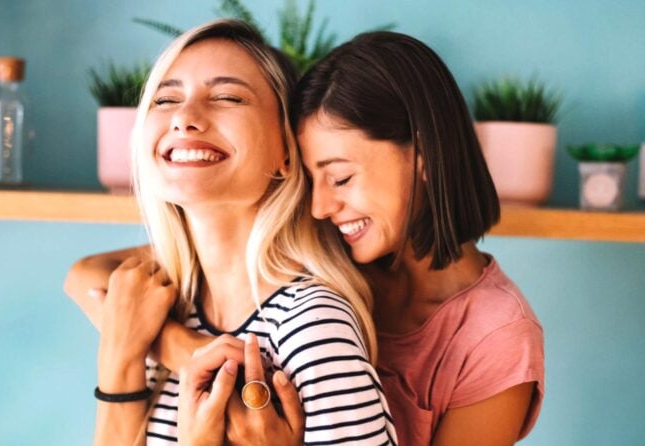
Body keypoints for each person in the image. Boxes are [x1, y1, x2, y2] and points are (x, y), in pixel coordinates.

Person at [68, 31, 544, 446]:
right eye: (310, 178)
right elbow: (87, 275)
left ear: (422, 155)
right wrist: (181, 349)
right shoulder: (333, 247)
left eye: (340, 177)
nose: (318, 208)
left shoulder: (493, 335)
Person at [84, 19, 395, 446]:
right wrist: (125, 359)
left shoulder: (312, 327)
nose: (184, 118)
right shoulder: (164, 305)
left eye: (228, 97)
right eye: (166, 99)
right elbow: (81, 275)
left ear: (287, 152)